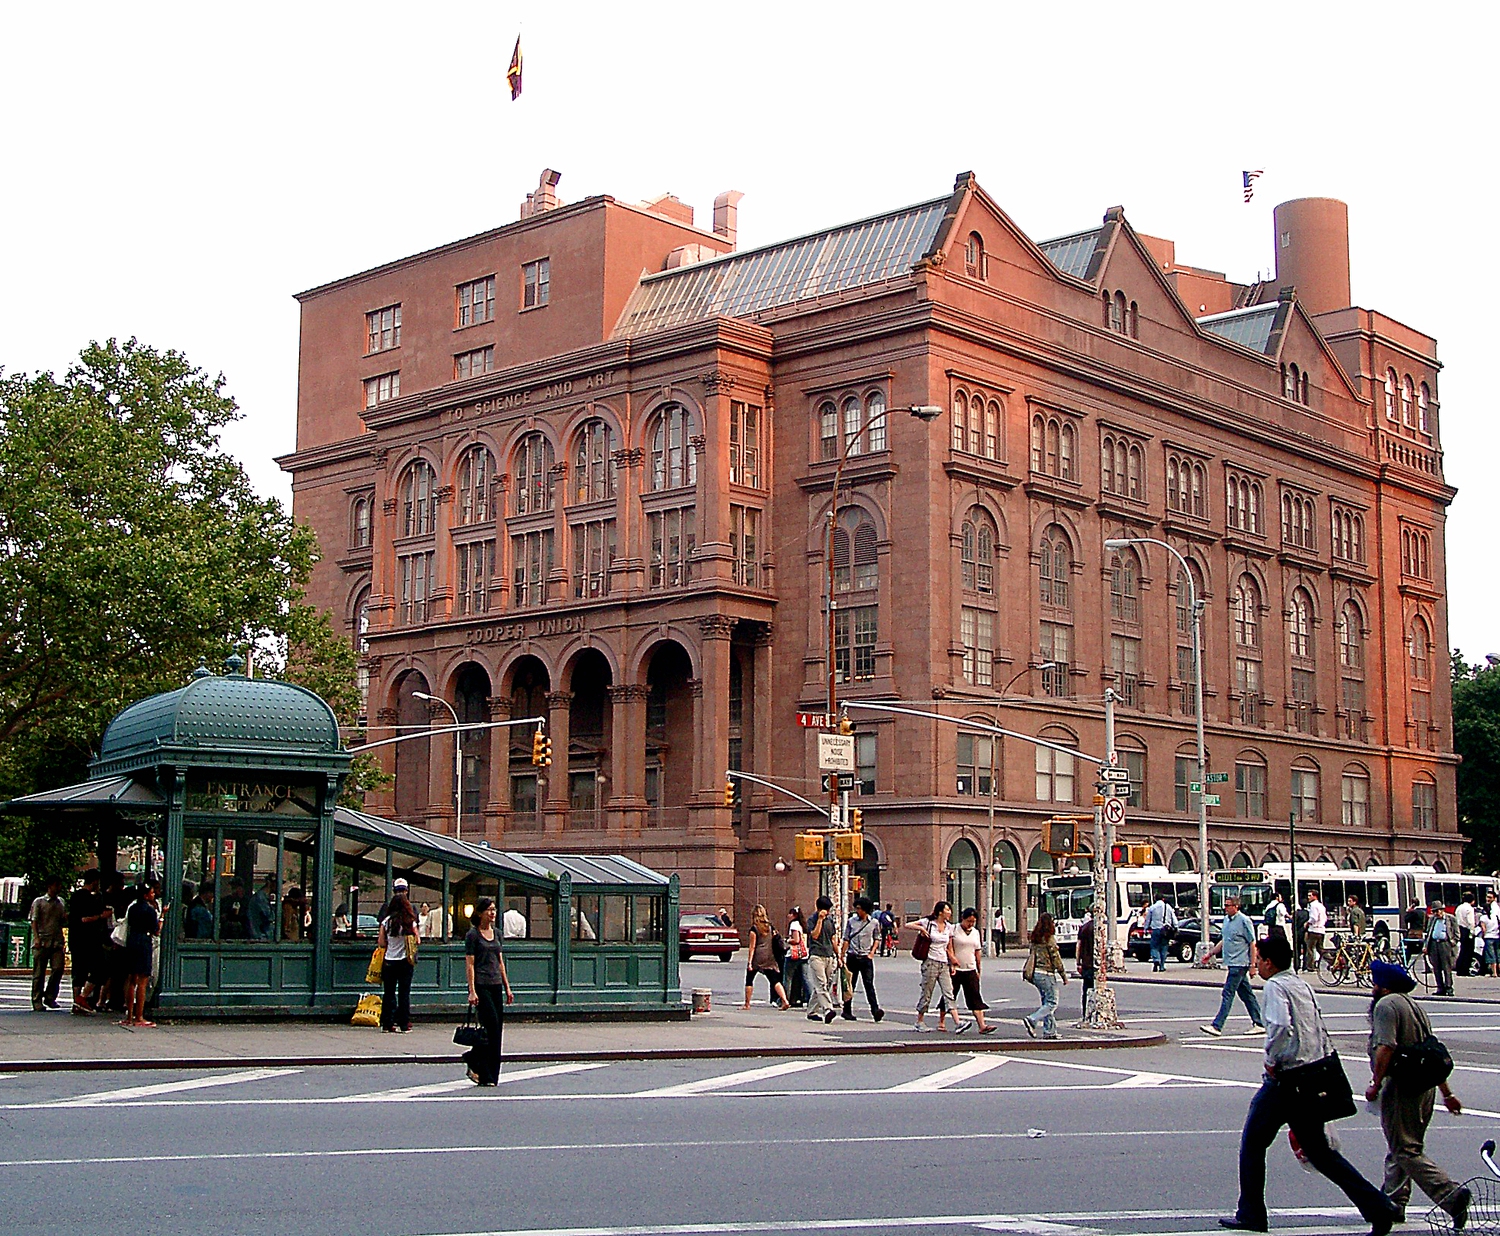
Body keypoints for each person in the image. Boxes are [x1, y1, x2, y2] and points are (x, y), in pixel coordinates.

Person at [1218, 932, 1398, 1235]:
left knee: (1253, 1143)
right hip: (1314, 1073)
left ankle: (1251, 1213)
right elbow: (1315, 1026)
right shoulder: (1301, 984)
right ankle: (1379, 1206)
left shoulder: (1275, 987)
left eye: (1259, 959)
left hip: (1287, 1079)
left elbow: (1279, 1027)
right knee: (1320, 1152)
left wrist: (1272, 1060)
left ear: (1269, 962)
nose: (1257, 964)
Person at [1365, 959, 1470, 1227]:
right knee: (1400, 1147)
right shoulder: (1414, 1006)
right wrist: (1446, 1093)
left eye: (1376, 983)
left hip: (1403, 1086)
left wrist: (1375, 1083)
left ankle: (1450, 1195)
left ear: (1384, 987)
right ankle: (1393, 1203)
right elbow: (1430, 1051)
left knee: (1405, 1149)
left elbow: (1385, 1048)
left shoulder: (1386, 1006)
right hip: (1425, 1087)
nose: (1373, 988)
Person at [463, 897, 514, 1086]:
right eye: (489, 910)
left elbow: (500, 962)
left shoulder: (497, 934)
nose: (492, 913)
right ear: (480, 913)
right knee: (490, 1024)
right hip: (481, 985)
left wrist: (507, 987)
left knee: (496, 1030)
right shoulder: (473, 935)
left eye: (494, 910)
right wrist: (472, 990)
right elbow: (470, 964)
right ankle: (474, 1059)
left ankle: (490, 1075)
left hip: (495, 985)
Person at [1200, 895, 1266, 1037]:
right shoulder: (1226, 921)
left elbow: (1252, 943)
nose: (1226, 908)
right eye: (1225, 905)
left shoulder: (1244, 921)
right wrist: (1210, 954)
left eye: (1228, 905)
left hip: (1240, 963)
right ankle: (1259, 1022)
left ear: (1236, 907)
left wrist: (1252, 965)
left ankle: (1217, 1026)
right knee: (1246, 994)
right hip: (1231, 962)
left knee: (1227, 993)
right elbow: (1225, 940)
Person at [914, 901, 966, 1033]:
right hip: (930, 962)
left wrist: (952, 962)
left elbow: (949, 947)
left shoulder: (949, 927)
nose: (950, 912)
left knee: (949, 992)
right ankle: (920, 1020)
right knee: (927, 992)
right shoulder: (929, 923)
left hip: (943, 963)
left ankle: (957, 1022)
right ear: (940, 912)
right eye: (947, 910)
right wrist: (921, 929)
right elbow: (908, 924)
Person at [67, 870, 110, 1013]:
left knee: (79, 971)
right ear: (94, 881)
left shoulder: (75, 897)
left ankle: (76, 1001)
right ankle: (83, 997)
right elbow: (85, 919)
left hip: (75, 939)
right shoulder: (88, 899)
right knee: (101, 968)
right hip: (89, 940)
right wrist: (100, 916)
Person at [378, 879, 418, 1033]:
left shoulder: (386, 921)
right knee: (404, 992)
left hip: (389, 960)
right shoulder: (410, 921)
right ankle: (404, 1023)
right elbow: (417, 940)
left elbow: (381, 942)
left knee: (388, 993)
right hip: (405, 961)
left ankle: (387, 1023)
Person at [121, 881, 161, 1028]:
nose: (154, 894)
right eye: (151, 892)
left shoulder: (132, 908)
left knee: (131, 979)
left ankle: (129, 1015)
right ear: (145, 895)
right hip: (144, 941)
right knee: (143, 980)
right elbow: (156, 930)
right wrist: (162, 916)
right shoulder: (149, 910)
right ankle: (139, 1016)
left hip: (132, 940)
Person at [1022, 912, 1067, 1039]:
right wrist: (1063, 975)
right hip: (1046, 973)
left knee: (1046, 1003)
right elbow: (1055, 958)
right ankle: (1032, 1019)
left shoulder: (1035, 938)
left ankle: (1050, 1031)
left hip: (1035, 973)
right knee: (1052, 1002)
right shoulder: (1049, 939)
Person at [840, 896, 884, 1022]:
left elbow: (877, 938)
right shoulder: (851, 921)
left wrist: (872, 952)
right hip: (853, 956)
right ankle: (846, 1010)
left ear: (865, 910)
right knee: (850, 984)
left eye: (859, 908)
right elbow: (846, 938)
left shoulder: (874, 923)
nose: (857, 911)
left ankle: (875, 1010)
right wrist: (842, 955)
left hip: (866, 958)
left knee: (869, 984)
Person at [951, 907, 995, 1033]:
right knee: (950, 995)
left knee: (975, 996)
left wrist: (978, 968)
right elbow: (948, 947)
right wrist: (951, 962)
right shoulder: (954, 929)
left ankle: (982, 1025)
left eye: (973, 922)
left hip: (970, 968)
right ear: (962, 919)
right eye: (968, 921)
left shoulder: (975, 932)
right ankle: (941, 1022)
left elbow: (977, 951)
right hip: (955, 968)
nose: (970, 924)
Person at [28, 876, 67, 1012]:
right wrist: (36, 937)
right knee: (39, 972)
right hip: (42, 940)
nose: (58, 888)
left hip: (56, 940)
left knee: (58, 968)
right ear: (50, 886)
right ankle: (37, 999)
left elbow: (62, 920)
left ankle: (50, 996)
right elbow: (34, 920)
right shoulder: (39, 902)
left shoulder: (61, 902)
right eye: (56, 885)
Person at [742, 904, 790, 1010]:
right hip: (769, 956)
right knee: (774, 980)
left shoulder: (754, 929)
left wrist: (750, 962)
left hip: (757, 957)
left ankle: (747, 1004)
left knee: (749, 979)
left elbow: (752, 947)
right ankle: (784, 1000)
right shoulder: (769, 927)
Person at [805, 896, 840, 1024]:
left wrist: (839, 955)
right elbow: (814, 935)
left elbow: (833, 939)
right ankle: (828, 1009)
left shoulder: (830, 920)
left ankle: (811, 1011)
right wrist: (819, 919)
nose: (827, 912)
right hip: (816, 955)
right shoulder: (812, 920)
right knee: (821, 983)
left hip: (829, 955)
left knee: (823, 985)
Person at [1424, 901, 1456, 997]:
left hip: (1445, 944)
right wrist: (1425, 946)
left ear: (1442, 910)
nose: (1436, 913)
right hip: (1434, 944)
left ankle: (1449, 988)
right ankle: (1440, 988)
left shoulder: (1450, 918)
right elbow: (1428, 932)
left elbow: (1456, 932)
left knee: (1446, 967)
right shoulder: (1432, 919)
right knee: (1436, 968)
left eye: (1437, 911)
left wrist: (1453, 942)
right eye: (1434, 911)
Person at [781, 907, 809, 1007]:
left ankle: (784, 999)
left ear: (794, 915)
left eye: (790, 914)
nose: (788, 916)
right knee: (806, 978)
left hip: (793, 954)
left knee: (787, 978)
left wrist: (788, 940)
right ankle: (810, 998)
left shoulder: (794, 924)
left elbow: (796, 940)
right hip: (804, 954)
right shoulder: (802, 924)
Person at [1144, 892, 1177, 971]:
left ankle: (1156, 960)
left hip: (1155, 930)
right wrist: (1176, 927)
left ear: (1155, 899)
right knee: (1164, 947)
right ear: (1163, 899)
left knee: (1154, 947)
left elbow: (1148, 920)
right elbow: (1174, 919)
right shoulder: (1168, 907)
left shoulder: (1152, 908)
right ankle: (1162, 966)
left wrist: (1145, 929)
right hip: (1166, 930)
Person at [1076, 905, 1097, 1016]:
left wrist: (1078, 962)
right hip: (1096, 964)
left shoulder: (1084, 928)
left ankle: (1085, 1012)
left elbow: (1078, 946)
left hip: (1086, 963)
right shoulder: (1099, 928)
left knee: (1086, 990)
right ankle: (1095, 1012)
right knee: (1096, 989)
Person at [1455, 892, 1477, 977]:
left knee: (1462, 950)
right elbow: (1471, 922)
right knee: (1468, 951)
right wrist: (1472, 932)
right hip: (1467, 930)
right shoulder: (1469, 909)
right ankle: (1465, 969)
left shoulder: (1459, 908)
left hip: (1460, 928)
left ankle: (1459, 969)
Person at [247, 874, 275, 941]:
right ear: (269, 883)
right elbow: (269, 916)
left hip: (263, 937)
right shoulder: (260, 898)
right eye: (276, 883)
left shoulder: (263, 897)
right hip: (261, 937)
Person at [1305, 890, 1328, 967]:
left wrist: (1307, 923)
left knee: (1310, 948)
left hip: (1314, 930)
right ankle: (1332, 961)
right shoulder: (1321, 906)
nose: (1308, 897)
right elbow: (1325, 918)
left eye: (1310, 895)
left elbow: (1314, 918)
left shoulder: (1313, 906)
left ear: (1315, 896)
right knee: (1320, 949)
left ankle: (1310, 966)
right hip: (1321, 930)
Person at [1402, 900, 1427, 965]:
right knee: (1423, 951)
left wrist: (1408, 912)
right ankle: (1427, 966)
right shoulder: (1423, 913)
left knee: (1409, 950)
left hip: (1413, 934)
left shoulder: (1413, 912)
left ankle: (1405, 964)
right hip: (1421, 934)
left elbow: (1406, 919)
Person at [1481, 891, 1500, 977]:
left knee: (1491, 956)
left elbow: (1483, 929)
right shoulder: (1495, 916)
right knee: (1498, 955)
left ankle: (1494, 972)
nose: (1487, 899)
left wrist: (1483, 935)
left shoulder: (1483, 918)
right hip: (1497, 936)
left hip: (1488, 937)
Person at [1292, 898, 1311, 972]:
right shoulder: (1308, 913)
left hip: (1297, 933)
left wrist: (1293, 932)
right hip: (1305, 933)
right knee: (1306, 949)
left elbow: (1294, 924)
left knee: (1297, 950)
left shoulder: (1296, 913)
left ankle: (1297, 965)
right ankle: (1305, 966)